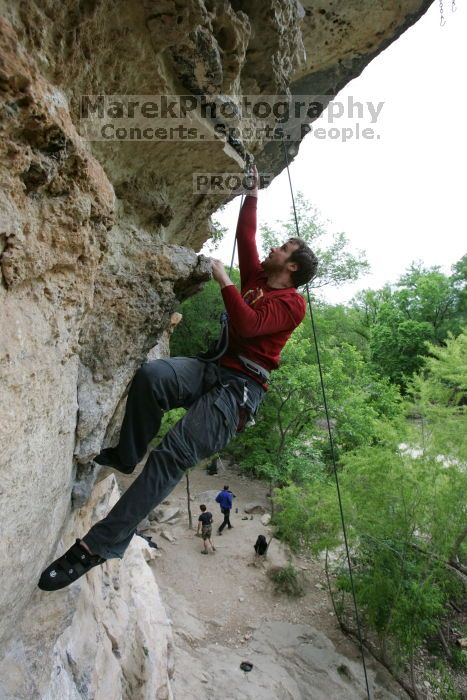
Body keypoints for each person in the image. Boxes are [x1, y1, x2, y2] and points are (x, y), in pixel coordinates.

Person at [38, 165, 318, 591]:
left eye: (283, 248)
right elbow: (246, 238)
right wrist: (253, 194)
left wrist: (224, 279)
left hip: (240, 392)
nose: (273, 249)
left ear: (293, 267)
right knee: (153, 376)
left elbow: (248, 327)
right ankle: (127, 452)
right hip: (216, 368)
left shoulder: (291, 304)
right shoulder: (261, 278)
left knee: (172, 455)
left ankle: (98, 547)